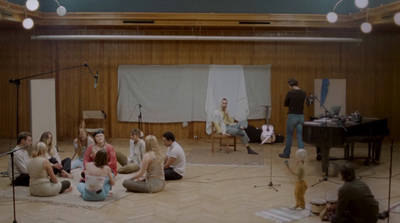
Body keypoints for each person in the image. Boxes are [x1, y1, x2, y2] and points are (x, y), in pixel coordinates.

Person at [279, 78, 306, 159]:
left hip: (292, 116)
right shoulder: (303, 93)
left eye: (288, 85)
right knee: (300, 136)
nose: (288, 87)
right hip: (301, 116)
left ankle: (287, 153)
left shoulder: (290, 93)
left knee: (289, 136)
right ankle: (301, 154)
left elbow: (285, 104)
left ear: (291, 84)